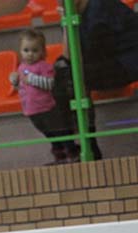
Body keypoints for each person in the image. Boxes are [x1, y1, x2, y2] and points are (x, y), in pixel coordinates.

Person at [58, 0, 138, 160]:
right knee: (63, 76)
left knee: (72, 75)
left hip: (127, 60)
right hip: (107, 62)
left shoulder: (100, 7)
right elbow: (69, 57)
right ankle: (76, 147)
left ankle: (87, 148)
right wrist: (67, 24)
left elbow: (93, 52)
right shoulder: (72, 15)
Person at [9, 29, 80, 164]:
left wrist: (31, 79)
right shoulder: (21, 67)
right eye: (26, 50)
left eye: (35, 50)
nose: (30, 54)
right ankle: (59, 155)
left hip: (47, 108)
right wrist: (15, 82)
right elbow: (22, 88)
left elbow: (49, 84)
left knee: (59, 131)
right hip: (31, 110)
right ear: (20, 51)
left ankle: (72, 152)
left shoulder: (44, 66)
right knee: (48, 133)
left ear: (42, 52)